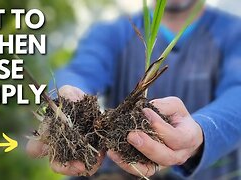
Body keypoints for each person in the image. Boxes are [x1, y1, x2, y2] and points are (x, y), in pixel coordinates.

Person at [27, 0, 241, 179]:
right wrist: (66, 100)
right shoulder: (112, 33)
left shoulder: (234, 34)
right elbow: (81, 70)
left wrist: (204, 130)